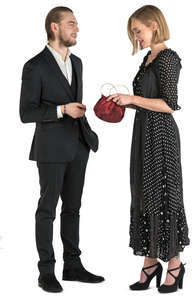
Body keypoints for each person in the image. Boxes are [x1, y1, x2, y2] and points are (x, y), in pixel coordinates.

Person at [19, 6, 104, 293]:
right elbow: (26, 112)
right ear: (54, 27)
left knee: (73, 209)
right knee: (47, 210)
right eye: (71, 24)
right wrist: (61, 109)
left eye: (77, 24)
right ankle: (46, 271)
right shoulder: (35, 66)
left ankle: (73, 266)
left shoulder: (78, 62)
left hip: (79, 145)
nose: (76, 28)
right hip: (51, 149)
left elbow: (73, 101)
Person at [106, 4, 190, 293]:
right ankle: (150, 262)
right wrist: (124, 103)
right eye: (133, 33)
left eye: (137, 31)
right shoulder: (147, 59)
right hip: (143, 134)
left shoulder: (167, 58)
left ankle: (175, 265)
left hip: (162, 137)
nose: (136, 38)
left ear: (154, 24)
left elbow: (169, 104)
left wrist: (133, 98)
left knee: (164, 195)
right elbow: (147, 101)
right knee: (143, 194)